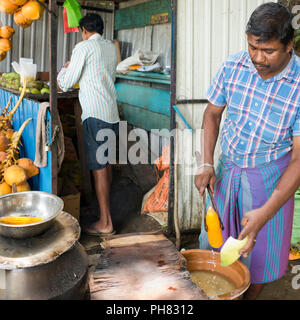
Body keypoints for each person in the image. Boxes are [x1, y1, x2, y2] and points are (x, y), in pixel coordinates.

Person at [194, 2, 300, 300]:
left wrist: (266, 212)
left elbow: (298, 159)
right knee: (216, 247)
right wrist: (206, 163)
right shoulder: (233, 66)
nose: (257, 57)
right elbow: (212, 114)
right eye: (253, 47)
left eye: (268, 51)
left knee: (259, 258)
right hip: (229, 172)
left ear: (290, 45)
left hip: (272, 181)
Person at [57, 13, 119, 236]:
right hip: (111, 113)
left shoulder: (83, 48)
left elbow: (64, 84)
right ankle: (106, 214)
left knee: (98, 168)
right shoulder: (110, 48)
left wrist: (65, 68)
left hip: (95, 113)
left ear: (84, 30)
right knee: (106, 164)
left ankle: (106, 222)